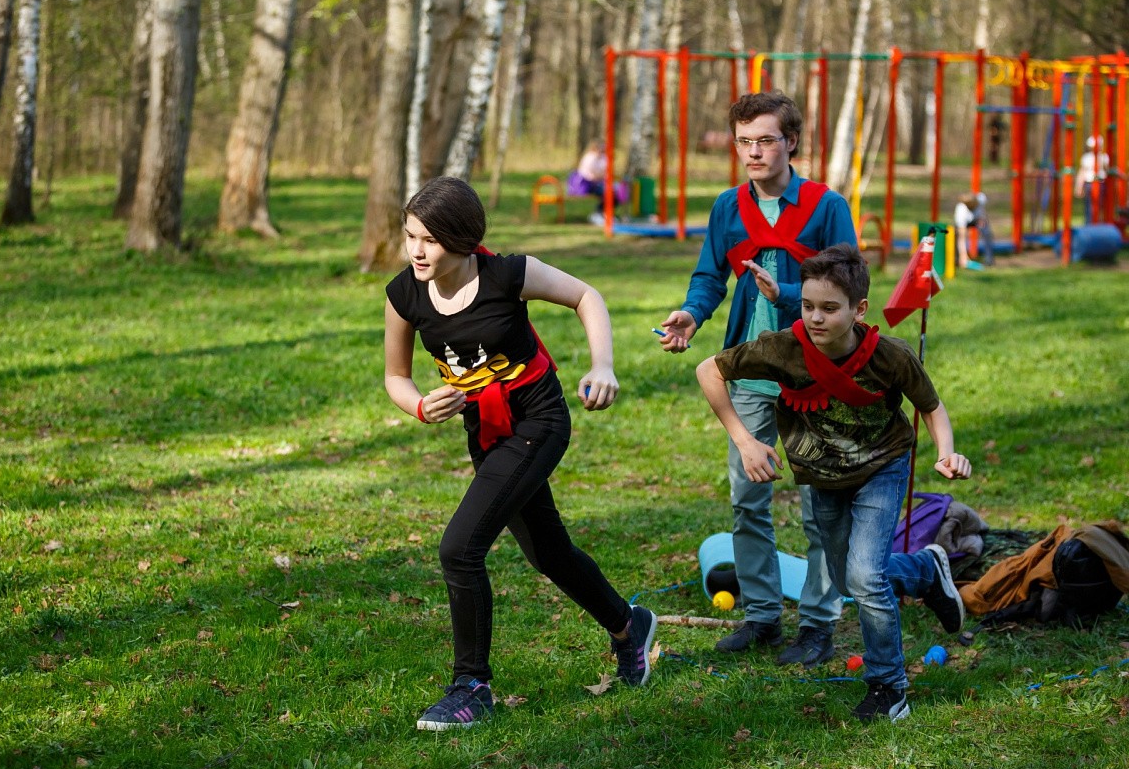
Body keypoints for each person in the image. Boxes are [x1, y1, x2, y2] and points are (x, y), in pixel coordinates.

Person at [384, 176, 656, 731]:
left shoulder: (507, 273)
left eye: (430, 240)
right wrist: (420, 406)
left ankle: (471, 687)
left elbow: (586, 297)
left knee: (460, 549)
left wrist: (602, 365)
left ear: (463, 240)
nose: (417, 250)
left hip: (538, 420)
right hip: (485, 431)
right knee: (548, 553)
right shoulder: (404, 294)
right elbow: (395, 376)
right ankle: (629, 626)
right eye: (411, 236)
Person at [695, 243, 972, 722]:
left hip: (882, 469)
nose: (815, 318)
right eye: (807, 306)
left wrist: (946, 451)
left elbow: (930, 406)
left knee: (865, 578)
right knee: (847, 579)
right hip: (823, 478)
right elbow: (709, 370)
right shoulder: (782, 348)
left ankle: (889, 686)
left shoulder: (890, 356)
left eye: (829, 308)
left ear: (858, 309)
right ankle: (926, 570)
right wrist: (744, 441)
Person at [656, 91, 856, 670]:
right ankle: (763, 616)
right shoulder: (727, 206)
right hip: (749, 373)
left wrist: (789, 294)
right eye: (744, 142)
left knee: (820, 508)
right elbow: (709, 276)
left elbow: (850, 284)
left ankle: (818, 624)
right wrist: (692, 314)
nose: (754, 152)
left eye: (765, 140)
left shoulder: (825, 206)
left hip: (815, 374)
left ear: (790, 142)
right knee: (748, 501)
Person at [567, 140, 628, 219]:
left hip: (598, 183)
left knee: (617, 192)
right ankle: (599, 212)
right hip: (589, 185)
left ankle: (605, 212)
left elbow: (606, 171)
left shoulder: (602, 158)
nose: (602, 150)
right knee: (609, 193)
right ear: (595, 148)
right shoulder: (590, 158)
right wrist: (603, 176)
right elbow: (591, 176)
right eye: (601, 148)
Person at [1075, 136, 1110, 224]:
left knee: (1096, 206)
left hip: (1100, 183)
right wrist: (1079, 187)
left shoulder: (1103, 157)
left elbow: (1107, 171)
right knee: (1091, 205)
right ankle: (1091, 223)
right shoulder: (1088, 158)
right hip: (1091, 183)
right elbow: (1082, 173)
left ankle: (1095, 223)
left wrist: (1079, 187)